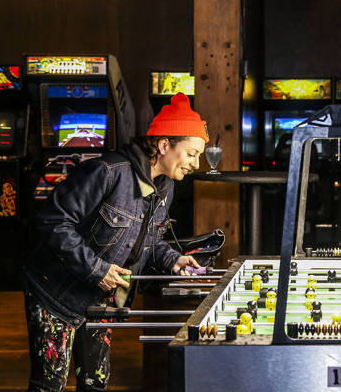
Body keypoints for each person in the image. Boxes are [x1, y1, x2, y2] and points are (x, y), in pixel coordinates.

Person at [22, 92, 209, 391]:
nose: (196, 164)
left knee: (95, 382)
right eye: (191, 153)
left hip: (99, 299)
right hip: (55, 294)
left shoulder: (165, 187)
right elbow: (54, 222)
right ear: (164, 145)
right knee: (49, 384)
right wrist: (97, 270)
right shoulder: (107, 171)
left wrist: (172, 258)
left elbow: (149, 239)